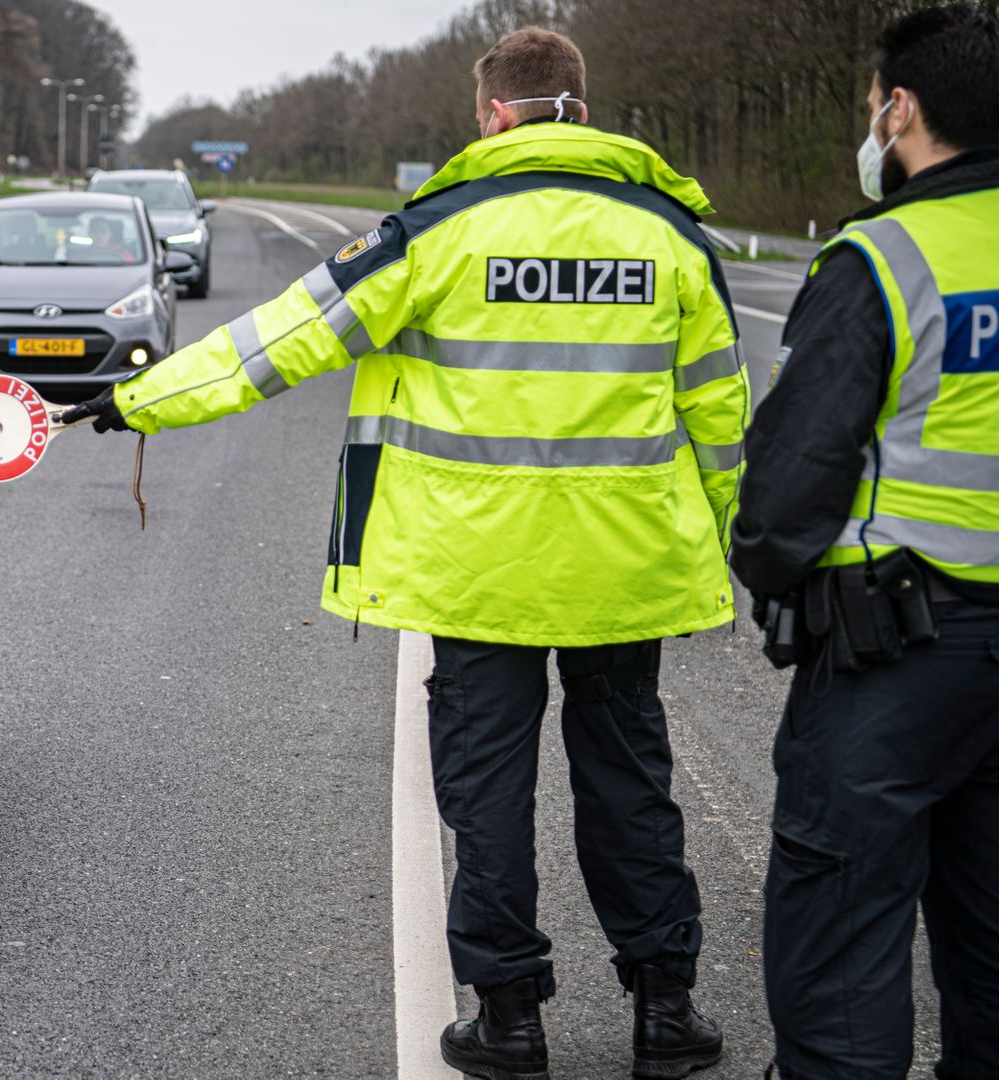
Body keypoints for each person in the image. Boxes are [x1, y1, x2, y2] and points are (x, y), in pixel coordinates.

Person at [61, 26, 743, 1080]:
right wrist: (745, 551)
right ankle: (665, 1015)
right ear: (583, 108)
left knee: (486, 797)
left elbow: (283, 341)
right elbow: (723, 417)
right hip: (626, 572)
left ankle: (510, 1021)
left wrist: (138, 398)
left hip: (475, 576)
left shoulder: (437, 234)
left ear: (493, 114)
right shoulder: (672, 239)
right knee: (629, 789)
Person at [727, 6, 999, 1078]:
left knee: (842, 947)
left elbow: (787, 492)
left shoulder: (882, 258)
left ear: (903, 109)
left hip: (896, 657)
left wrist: (777, 575)